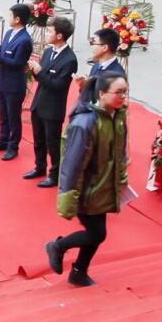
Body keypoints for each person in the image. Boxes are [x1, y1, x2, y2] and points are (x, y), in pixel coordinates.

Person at [45, 73, 130, 287]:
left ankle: (79, 271)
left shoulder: (116, 117)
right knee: (97, 233)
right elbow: (72, 165)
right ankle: (59, 246)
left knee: (97, 233)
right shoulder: (85, 123)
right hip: (86, 188)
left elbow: (119, 151)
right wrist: (68, 196)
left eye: (125, 92)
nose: (123, 97)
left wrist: (120, 178)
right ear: (102, 93)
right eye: (118, 92)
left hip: (103, 186)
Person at [26, 16, 78, 188]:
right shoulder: (48, 51)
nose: (47, 33)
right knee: (38, 139)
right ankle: (39, 167)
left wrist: (39, 72)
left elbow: (59, 85)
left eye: (50, 31)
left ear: (60, 35)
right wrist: (34, 70)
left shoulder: (70, 59)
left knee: (52, 143)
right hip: (39, 102)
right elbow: (42, 77)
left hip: (53, 108)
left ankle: (55, 174)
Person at [0, 4, 33, 160]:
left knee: (13, 116)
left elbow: (18, 63)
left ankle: (13, 146)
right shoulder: (9, 33)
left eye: (11, 15)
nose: (9, 17)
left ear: (18, 19)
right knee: (3, 114)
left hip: (14, 83)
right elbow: (2, 49)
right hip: (3, 80)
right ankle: (2, 139)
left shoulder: (25, 40)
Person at [75, 27, 126, 103]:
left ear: (104, 47)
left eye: (94, 43)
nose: (92, 47)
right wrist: (84, 85)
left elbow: (110, 102)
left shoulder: (117, 74)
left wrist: (89, 85)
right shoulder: (96, 65)